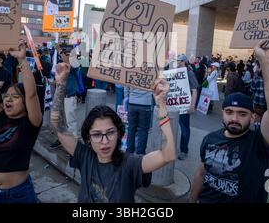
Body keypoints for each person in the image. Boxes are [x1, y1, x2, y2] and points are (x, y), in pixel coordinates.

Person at [50, 62, 175, 202]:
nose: (105, 141)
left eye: (110, 132)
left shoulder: (130, 164)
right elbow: (58, 126)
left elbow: (167, 156)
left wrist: (161, 105)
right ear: (88, 138)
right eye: (97, 134)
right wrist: (60, 84)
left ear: (119, 133)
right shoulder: (84, 156)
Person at [188, 42, 269, 203]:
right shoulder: (209, 139)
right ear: (222, 114)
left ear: (253, 117)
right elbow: (201, 172)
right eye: (229, 112)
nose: (234, 118)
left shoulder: (260, 144)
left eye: (242, 114)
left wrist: (266, 61)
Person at [0, 39, 42, 203]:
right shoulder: (0, 117)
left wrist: (22, 60)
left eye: (15, 97)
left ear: (25, 102)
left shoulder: (31, 123)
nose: (8, 100)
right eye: (6, 96)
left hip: (20, 195)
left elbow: (32, 94)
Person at [176, 54, 198, 160]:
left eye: (178, 61)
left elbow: (194, 90)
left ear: (184, 62)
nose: (177, 63)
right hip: (175, 105)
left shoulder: (189, 73)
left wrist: (192, 106)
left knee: (184, 128)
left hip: (184, 106)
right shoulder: (177, 72)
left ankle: (184, 150)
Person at [123, 86, 153, 155]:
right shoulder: (153, 74)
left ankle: (129, 151)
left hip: (132, 102)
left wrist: (126, 97)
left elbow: (126, 85)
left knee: (131, 128)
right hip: (145, 103)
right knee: (143, 130)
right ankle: (140, 153)